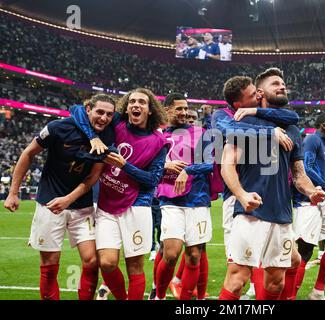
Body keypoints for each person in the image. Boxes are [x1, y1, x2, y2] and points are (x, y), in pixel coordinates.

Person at [218, 68, 325, 300]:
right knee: (236, 280)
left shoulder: (293, 130)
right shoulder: (244, 121)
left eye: (283, 84)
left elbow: (298, 174)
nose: (282, 87)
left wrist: (311, 191)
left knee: (276, 282)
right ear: (259, 92)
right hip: (251, 211)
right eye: (275, 83)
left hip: (282, 214)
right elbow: (227, 164)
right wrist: (241, 194)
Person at [4, 94, 116, 300]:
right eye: (100, 112)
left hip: (81, 206)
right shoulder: (58, 127)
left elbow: (93, 176)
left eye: (109, 114)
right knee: (49, 263)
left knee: (92, 261)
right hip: (49, 203)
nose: (104, 118)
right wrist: (13, 192)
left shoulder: (108, 136)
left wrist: (68, 199)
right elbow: (28, 153)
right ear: (88, 109)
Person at [70, 88, 168, 300]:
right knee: (106, 262)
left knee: (135, 266)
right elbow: (77, 110)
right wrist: (92, 137)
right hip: (107, 204)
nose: (136, 105)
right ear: (127, 105)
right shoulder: (117, 123)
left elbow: (153, 180)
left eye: (142, 102)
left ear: (150, 110)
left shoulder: (159, 142)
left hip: (138, 205)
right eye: (132, 101)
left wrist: (125, 166)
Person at [153, 93, 215, 300]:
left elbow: (209, 163)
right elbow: (145, 164)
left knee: (195, 256)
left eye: (186, 108)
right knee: (170, 254)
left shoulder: (201, 133)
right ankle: (159, 295)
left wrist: (188, 170)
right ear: (167, 110)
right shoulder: (158, 135)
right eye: (179, 108)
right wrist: (165, 165)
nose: (184, 112)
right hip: (170, 200)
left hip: (197, 199)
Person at [291, 113, 325, 300]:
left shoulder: (321, 144)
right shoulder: (312, 140)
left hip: (320, 203)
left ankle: (317, 292)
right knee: (304, 252)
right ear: (323, 125)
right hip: (307, 203)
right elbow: (307, 168)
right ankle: (290, 295)